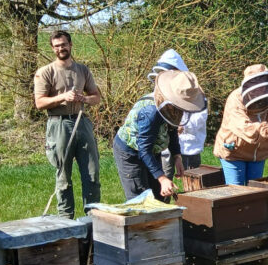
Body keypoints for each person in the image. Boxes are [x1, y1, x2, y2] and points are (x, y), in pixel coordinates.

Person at [33, 30, 102, 219]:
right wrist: (63, 97)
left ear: (70, 45)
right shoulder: (45, 72)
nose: (60, 49)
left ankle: (93, 218)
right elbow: (39, 103)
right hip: (59, 125)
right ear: (52, 49)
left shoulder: (83, 70)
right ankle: (66, 219)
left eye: (63, 44)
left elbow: (96, 97)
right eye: (56, 46)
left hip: (82, 122)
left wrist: (84, 99)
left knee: (92, 173)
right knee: (63, 175)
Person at [114, 70, 206, 201]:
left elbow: (172, 130)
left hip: (151, 149)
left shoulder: (172, 108)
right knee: (141, 199)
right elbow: (144, 150)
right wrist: (162, 178)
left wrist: (177, 156)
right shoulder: (150, 112)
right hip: (131, 153)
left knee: (158, 195)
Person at [214, 65, 268, 185]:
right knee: (235, 193)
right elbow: (244, 127)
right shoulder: (236, 99)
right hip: (234, 150)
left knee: (255, 191)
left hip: (259, 151)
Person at [147, 49, 209, 178]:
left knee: (193, 180)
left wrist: (182, 126)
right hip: (166, 144)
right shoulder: (161, 92)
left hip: (189, 145)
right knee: (164, 179)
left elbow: (200, 116)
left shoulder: (192, 90)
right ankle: (164, 198)